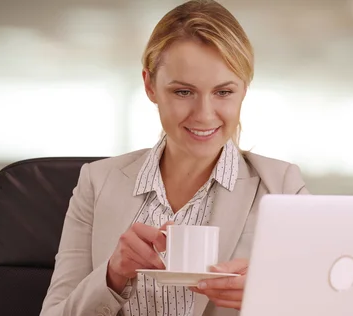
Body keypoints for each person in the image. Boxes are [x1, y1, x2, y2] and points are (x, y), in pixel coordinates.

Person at [39, 1, 308, 315]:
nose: (204, 115)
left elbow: (327, 302)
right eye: (183, 92)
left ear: (244, 90)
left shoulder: (282, 186)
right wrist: (112, 276)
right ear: (150, 85)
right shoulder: (97, 183)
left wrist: (271, 298)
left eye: (224, 92)